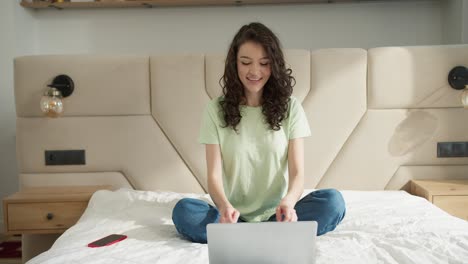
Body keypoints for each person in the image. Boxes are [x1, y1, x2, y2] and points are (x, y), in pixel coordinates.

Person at [172, 22, 346, 244]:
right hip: (232, 217)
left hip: (279, 214)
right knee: (184, 211)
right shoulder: (215, 110)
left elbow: (297, 173)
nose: (255, 71)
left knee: (333, 202)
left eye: (264, 63)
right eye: (246, 63)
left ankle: (254, 235)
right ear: (234, 65)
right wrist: (225, 207)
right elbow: (214, 176)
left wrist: (289, 203)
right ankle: (262, 235)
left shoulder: (290, 107)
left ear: (274, 66)